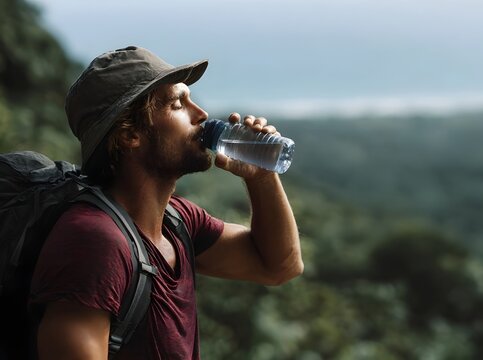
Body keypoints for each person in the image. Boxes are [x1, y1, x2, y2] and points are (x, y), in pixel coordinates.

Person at [28, 46, 303, 359]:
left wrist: (262, 177)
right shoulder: (92, 242)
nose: (200, 114)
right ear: (130, 134)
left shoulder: (178, 221)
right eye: (177, 104)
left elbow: (280, 266)